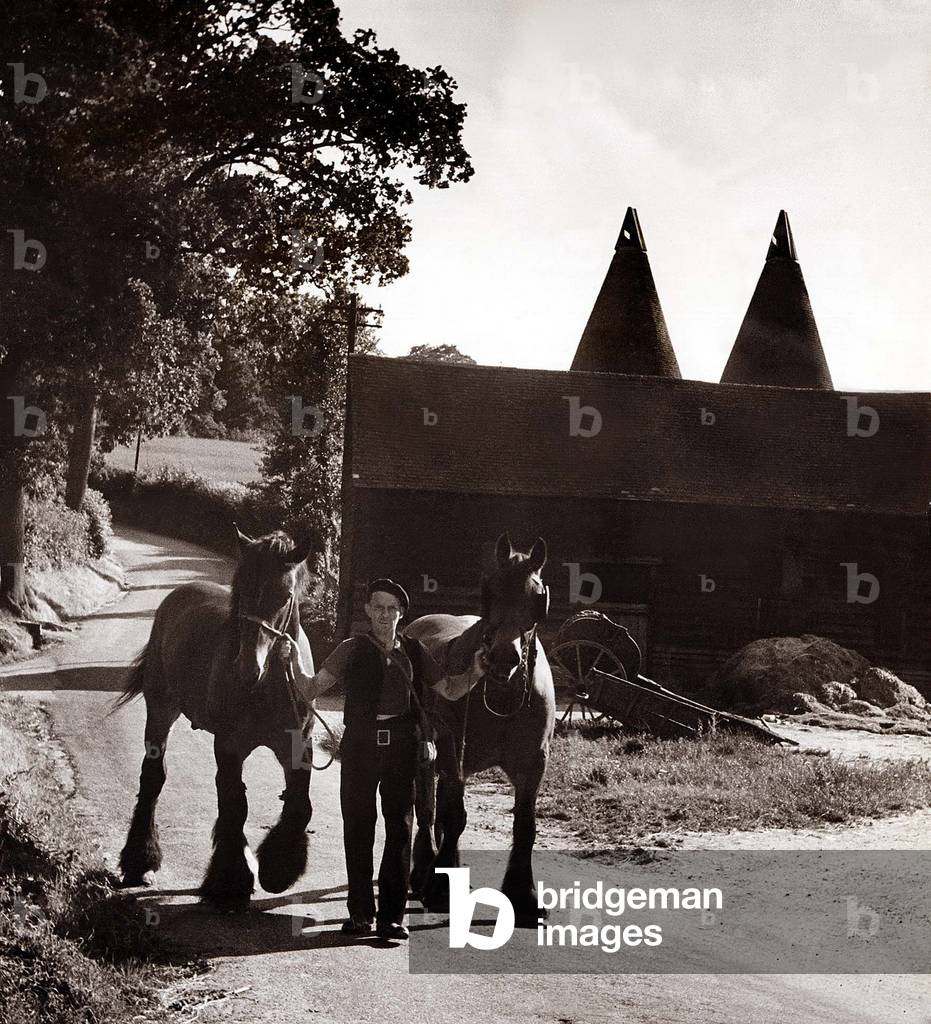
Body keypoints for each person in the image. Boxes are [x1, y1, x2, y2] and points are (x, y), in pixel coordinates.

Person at [277, 577, 486, 941]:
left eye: (392, 608)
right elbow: (311, 688)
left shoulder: (415, 652)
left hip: (402, 750)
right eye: (378, 608)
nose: (385, 615)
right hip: (359, 747)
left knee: (399, 829)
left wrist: (478, 670)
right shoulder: (351, 649)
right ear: (368, 611)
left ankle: (391, 918)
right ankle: (360, 914)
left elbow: (451, 690)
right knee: (358, 828)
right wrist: (293, 661)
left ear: (401, 612)